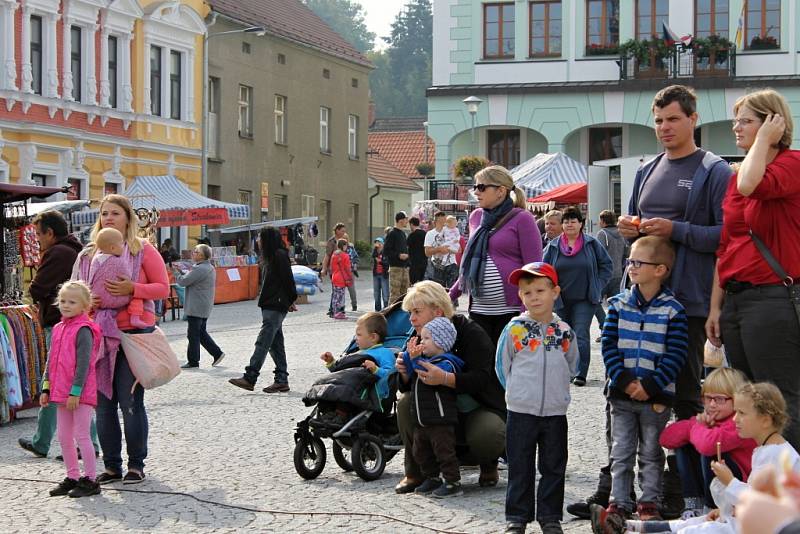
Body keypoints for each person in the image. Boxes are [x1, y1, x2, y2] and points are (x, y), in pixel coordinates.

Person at [570, 84, 732, 518]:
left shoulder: (714, 170)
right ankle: (616, 491)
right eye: (658, 120)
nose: (664, 128)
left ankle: (678, 494)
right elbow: (644, 234)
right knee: (620, 394)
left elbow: (725, 237)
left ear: (692, 120)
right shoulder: (646, 170)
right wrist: (632, 230)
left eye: (673, 119)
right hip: (638, 301)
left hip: (688, 301)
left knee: (681, 398)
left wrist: (673, 230)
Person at [706, 88, 800, 450]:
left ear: (772, 124)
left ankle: (785, 490)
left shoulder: (790, 164)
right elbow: (726, 247)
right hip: (737, 300)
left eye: (746, 121)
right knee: (747, 401)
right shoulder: (736, 176)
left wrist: (764, 141)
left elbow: (751, 184)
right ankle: (760, 483)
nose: (736, 128)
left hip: (772, 299)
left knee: (778, 399)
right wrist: (716, 307)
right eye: (736, 120)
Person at [613, 383, 800, 534]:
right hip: (754, 522)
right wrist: (727, 509)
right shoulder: (767, 448)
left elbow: (762, 504)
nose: (735, 420)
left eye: (741, 414)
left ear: (765, 420)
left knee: (705, 529)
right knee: (704, 521)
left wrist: (730, 482)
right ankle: (629, 526)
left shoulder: (775, 454)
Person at [74, 194, 170, 485]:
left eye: (115, 213)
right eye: (104, 213)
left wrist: (133, 288)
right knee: (103, 404)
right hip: (100, 335)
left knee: (130, 402)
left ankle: (136, 465)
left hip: (132, 335)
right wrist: (86, 303)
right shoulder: (88, 254)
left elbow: (163, 288)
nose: (109, 218)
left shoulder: (142, 250)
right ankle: (112, 466)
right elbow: (75, 290)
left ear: (128, 217)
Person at [593, 236, 688, 527]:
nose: (630, 266)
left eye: (637, 262)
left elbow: (676, 353)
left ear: (660, 270)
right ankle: (619, 503)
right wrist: (624, 381)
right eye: (629, 261)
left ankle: (650, 501)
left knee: (650, 452)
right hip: (621, 396)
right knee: (620, 451)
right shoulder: (618, 305)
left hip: (656, 397)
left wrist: (650, 385)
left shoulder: (673, 310)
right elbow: (608, 346)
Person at [394, 281, 506, 494]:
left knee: (489, 432)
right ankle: (417, 472)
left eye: (417, 311)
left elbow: (483, 379)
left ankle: (488, 463)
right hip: (434, 411)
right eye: (410, 312)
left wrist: (446, 378)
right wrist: (404, 373)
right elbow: (404, 387)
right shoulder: (418, 335)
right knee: (404, 403)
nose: (411, 318)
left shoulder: (471, 332)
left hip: (474, 408)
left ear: (438, 312)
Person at [496, 262, 578, 534]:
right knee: (520, 465)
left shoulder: (564, 331)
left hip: (555, 411)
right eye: (527, 292)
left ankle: (550, 516)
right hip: (521, 410)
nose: (534, 297)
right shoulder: (514, 329)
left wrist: (558, 389)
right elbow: (502, 366)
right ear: (520, 297)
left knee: (554, 465)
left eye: (540, 290)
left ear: (555, 292)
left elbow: (572, 363)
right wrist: (516, 392)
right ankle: (517, 517)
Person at [19, 210, 100, 460]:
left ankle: (80, 443)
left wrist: (37, 292)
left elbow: (38, 287)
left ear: (50, 233)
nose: (38, 241)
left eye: (39, 235)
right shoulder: (73, 249)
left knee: (59, 380)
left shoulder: (57, 253)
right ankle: (44, 441)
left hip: (60, 324)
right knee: (57, 380)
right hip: (67, 323)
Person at [449, 165, 542, 345]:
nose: (476, 192)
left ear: (501, 191)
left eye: (481, 187)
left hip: (512, 310)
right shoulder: (476, 217)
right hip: (478, 309)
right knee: (482, 366)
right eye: (474, 187)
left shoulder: (523, 218)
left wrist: (527, 311)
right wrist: (450, 296)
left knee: (507, 367)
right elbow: (469, 264)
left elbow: (534, 268)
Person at [658, 367, 756, 514]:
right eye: (707, 398)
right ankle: (694, 505)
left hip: (741, 487)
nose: (711, 404)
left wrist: (699, 427)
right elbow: (666, 439)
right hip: (719, 483)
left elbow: (708, 445)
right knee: (685, 444)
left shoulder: (740, 423)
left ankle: (711, 507)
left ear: (736, 400)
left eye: (719, 399)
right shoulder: (707, 420)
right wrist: (697, 426)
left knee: (710, 448)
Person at [41, 281, 103, 498]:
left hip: (80, 393)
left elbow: (85, 363)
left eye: (72, 302)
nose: (66, 305)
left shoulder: (84, 329)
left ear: (85, 305)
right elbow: (51, 359)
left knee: (82, 435)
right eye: (63, 301)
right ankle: (72, 476)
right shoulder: (58, 328)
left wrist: (76, 391)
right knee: (64, 436)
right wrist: (46, 387)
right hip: (60, 392)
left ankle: (91, 479)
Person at [542, 206, 612, 386]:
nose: (569, 224)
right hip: (561, 299)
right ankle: (564, 370)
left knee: (580, 334)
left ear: (581, 224)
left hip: (585, 298)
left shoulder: (591, 243)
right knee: (562, 335)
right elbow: (543, 270)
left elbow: (607, 265)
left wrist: (598, 284)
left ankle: (580, 373)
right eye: (566, 221)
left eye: (573, 221)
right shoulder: (553, 246)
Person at [400, 317, 464, 498]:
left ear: (441, 341)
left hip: (440, 419)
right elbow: (412, 368)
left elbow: (426, 372)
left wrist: (415, 358)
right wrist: (408, 354)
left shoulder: (447, 361)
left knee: (444, 452)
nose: (422, 341)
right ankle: (432, 477)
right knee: (420, 451)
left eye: (427, 339)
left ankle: (453, 482)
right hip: (422, 420)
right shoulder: (424, 359)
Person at [229, 227, 298, 393]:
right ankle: (281, 379)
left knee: (263, 342)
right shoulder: (271, 256)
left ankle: (250, 377)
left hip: (276, 304)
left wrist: (290, 299)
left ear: (267, 239)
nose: (258, 241)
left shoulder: (279, 255)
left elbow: (288, 280)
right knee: (275, 344)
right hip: (270, 303)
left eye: (260, 238)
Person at [320, 312, 397, 423]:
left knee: (346, 390)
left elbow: (391, 375)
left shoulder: (384, 353)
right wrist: (331, 362)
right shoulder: (358, 353)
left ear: (373, 337)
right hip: (350, 389)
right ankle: (329, 412)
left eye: (359, 335)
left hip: (369, 397)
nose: (356, 338)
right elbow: (342, 373)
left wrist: (376, 369)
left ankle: (340, 414)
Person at [174, 244, 224, 369]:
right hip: (203, 305)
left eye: (196, 252)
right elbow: (191, 278)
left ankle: (193, 361)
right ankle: (217, 353)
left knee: (193, 334)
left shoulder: (200, 269)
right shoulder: (207, 267)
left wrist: (176, 274)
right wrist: (183, 273)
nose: (193, 253)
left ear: (201, 255)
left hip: (196, 306)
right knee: (200, 332)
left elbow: (183, 282)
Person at [89, 228, 148, 329]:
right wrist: (132, 287)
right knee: (136, 296)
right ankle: (135, 317)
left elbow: (91, 277)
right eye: (121, 244)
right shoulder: (119, 261)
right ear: (112, 248)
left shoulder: (95, 259)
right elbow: (128, 276)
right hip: (118, 298)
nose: (123, 247)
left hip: (98, 299)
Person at [594, 210, 628, 332]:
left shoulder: (602, 234)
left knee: (594, 301)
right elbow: (626, 253)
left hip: (604, 275)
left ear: (603, 221)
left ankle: (604, 326)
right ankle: (614, 330)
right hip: (618, 274)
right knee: (615, 305)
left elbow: (598, 254)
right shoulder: (621, 234)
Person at [424, 211, 459, 289]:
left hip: (451, 264)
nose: (444, 221)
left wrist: (451, 248)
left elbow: (459, 249)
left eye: (445, 219)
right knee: (439, 291)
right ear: (436, 221)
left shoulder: (451, 231)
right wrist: (439, 249)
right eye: (442, 220)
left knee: (452, 291)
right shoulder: (430, 234)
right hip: (437, 266)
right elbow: (427, 253)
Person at [384, 211, 410, 305]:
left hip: (404, 268)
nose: (407, 221)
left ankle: (402, 315)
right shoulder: (392, 233)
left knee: (405, 294)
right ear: (401, 220)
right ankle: (391, 315)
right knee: (395, 294)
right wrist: (398, 255)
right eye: (406, 219)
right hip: (395, 268)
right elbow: (386, 251)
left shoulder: (403, 234)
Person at [321, 223, 347, 317]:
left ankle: (339, 308)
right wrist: (324, 269)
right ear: (337, 230)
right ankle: (333, 309)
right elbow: (327, 255)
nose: (344, 233)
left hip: (343, 270)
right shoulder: (332, 241)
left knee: (341, 291)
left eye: (344, 231)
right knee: (336, 290)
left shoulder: (344, 240)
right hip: (334, 270)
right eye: (342, 231)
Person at [329, 238, 353, 320]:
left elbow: (331, 267)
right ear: (343, 246)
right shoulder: (345, 255)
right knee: (340, 296)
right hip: (341, 279)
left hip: (334, 277)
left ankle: (334, 311)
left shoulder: (334, 254)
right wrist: (350, 277)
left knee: (335, 296)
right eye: (346, 245)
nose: (347, 247)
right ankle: (337, 313)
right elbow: (347, 268)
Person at [406, 216, 427, 285]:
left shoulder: (412, 235)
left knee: (413, 284)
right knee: (421, 284)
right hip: (424, 262)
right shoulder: (425, 234)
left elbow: (406, 246)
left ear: (411, 224)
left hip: (414, 263)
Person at [371, 237, 390, 311]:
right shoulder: (375, 252)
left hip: (384, 275)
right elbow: (373, 256)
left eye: (380, 242)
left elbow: (387, 263)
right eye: (376, 242)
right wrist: (375, 249)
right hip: (376, 275)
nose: (378, 244)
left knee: (385, 293)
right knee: (376, 293)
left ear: (383, 244)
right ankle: (377, 309)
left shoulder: (386, 252)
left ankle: (386, 309)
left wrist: (380, 262)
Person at [344, 233, 359, 312]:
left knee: (351, 288)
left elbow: (356, 257)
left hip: (350, 271)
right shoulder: (338, 248)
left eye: (346, 238)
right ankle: (341, 306)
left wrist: (355, 264)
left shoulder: (351, 248)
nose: (345, 240)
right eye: (344, 238)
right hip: (341, 272)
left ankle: (354, 305)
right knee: (341, 289)